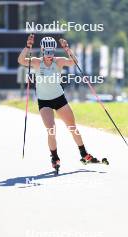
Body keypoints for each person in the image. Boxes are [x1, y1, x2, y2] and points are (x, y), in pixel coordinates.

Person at [18, 35, 99, 170]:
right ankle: (55, 157)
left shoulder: (59, 61)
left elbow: (74, 62)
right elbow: (21, 60)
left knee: (72, 127)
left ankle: (84, 154)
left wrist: (67, 49)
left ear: (54, 50)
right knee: (51, 130)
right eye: (46, 52)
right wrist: (27, 47)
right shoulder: (37, 62)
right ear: (43, 50)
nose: (49, 55)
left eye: (51, 52)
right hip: (44, 102)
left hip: (59, 99)